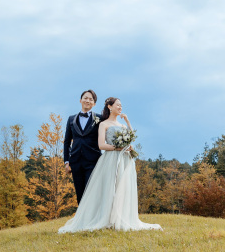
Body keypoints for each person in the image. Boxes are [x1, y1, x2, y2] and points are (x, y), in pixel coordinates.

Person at [59, 97, 162, 233]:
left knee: (122, 189)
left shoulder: (123, 125)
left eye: (121, 105)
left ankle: (120, 218)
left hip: (125, 160)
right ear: (109, 107)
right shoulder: (103, 123)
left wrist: (128, 123)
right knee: (108, 190)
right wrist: (118, 148)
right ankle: (102, 218)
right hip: (109, 159)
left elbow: (131, 139)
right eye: (118, 105)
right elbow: (101, 144)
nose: (120, 107)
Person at [63, 89, 101, 204]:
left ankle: (92, 218)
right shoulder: (71, 119)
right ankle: (81, 220)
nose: (87, 100)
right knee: (79, 192)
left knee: (90, 190)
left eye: (91, 99)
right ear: (80, 100)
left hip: (93, 161)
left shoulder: (99, 118)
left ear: (94, 103)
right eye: (85, 98)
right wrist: (66, 161)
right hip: (75, 161)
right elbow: (67, 142)